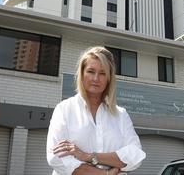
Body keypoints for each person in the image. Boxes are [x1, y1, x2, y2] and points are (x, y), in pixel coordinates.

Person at [47, 46, 146, 175]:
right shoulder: (64, 109)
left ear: (109, 79)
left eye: (103, 73)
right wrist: (105, 173)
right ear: (82, 74)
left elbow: (135, 156)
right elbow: (56, 158)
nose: (96, 79)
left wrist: (88, 156)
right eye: (91, 71)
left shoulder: (121, 115)